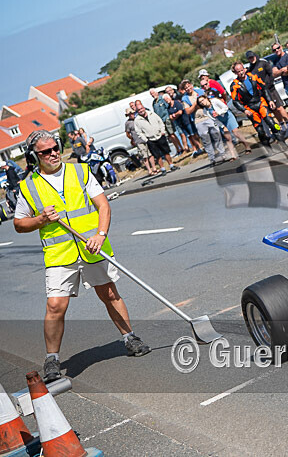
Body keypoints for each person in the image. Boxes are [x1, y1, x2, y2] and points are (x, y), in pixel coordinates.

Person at [14, 131, 150, 383]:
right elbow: (19, 224)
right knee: (55, 306)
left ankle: (130, 338)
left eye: (55, 148)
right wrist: (41, 219)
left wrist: (100, 234)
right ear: (35, 155)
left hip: (92, 247)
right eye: (46, 151)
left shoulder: (80, 171)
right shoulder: (28, 186)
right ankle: (52, 358)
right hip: (59, 254)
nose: (53, 153)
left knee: (109, 293)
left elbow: (103, 206)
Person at [230, 61, 288, 145]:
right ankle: (267, 147)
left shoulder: (253, 76)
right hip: (250, 108)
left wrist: (270, 100)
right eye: (238, 72)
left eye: (241, 70)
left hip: (260, 102)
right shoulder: (234, 85)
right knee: (260, 130)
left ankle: (282, 142)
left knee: (271, 123)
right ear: (235, 72)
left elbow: (264, 88)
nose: (241, 73)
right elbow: (235, 101)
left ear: (244, 69)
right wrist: (244, 110)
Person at [245, 52, 288, 136]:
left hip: (271, 90)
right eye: (249, 58)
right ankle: (282, 128)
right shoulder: (250, 70)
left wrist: (268, 84)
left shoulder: (263, 63)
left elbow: (271, 74)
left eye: (252, 57)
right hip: (263, 94)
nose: (252, 59)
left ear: (255, 56)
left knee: (279, 108)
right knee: (274, 110)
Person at [133, 100, 180, 172]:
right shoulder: (137, 120)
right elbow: (139, 132)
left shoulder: (152, 114)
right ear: (137, 111)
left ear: (144, 108)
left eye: (141, 108)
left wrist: (162, 131)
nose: (141, 110)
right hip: (150, 139)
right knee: (157, 155)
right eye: (139, 110)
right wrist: (146, 140)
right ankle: (163, 169)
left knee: (166, 151)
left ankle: (171, 165)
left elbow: (160, 122)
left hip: (160, 136)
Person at [185, 95, 229, 165]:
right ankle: (212, 158)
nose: (202, 102)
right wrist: (195, 104)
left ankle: (223, 154)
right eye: (200, 102)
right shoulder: (185, 98)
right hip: (199, 121)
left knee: (217, 136)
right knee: (206, 140)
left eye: (203, 100)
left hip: (209, 119)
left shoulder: (200, 92)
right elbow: (188, 111)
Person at [124, 107, 157, 175]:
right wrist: (132, 139)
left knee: (150, 154)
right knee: (145, 156)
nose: (131, 115)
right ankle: (149, 170)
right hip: (138, 141)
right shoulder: (128, 123)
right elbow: (127, 133)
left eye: (132, 113)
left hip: (146, 138)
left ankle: (154, 168)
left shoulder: (139, 119)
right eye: (129, 114)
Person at [151, 88, 183, 155]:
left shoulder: (162, 99)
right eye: (151, 94)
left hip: (167, 118)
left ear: (156, 92)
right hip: (161, 121)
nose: (153, 95)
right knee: (169, 136)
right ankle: (177, 149)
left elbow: (168, 106)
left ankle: (180, 148)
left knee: (172, 134)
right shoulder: (154, 103)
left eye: (153, 93)